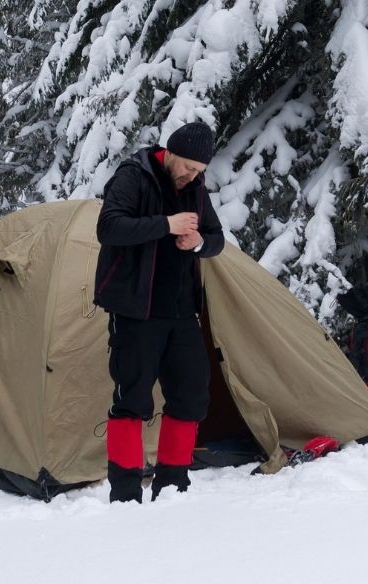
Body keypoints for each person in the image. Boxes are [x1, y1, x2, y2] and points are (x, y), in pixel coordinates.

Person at [93, 119, 226, 503]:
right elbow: (109, 228)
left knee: (191, 395)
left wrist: (199, 242)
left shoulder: (196, 189)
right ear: (169, 153)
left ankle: (173, 486)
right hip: (135, 309)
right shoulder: (135, 175)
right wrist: (165, 225)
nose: (191, 175)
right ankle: (126, 493)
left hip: (182, 312)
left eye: (199, 170)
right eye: (187, 166)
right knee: (132, 399)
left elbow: (217, 240)